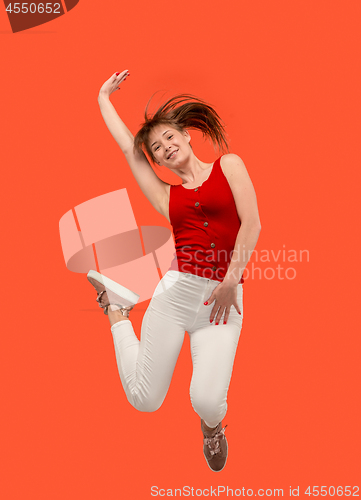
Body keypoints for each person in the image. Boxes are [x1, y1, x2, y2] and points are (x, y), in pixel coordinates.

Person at [87, 69, 261, 472]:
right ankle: (117, 313)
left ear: (185, 135)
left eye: (169, 137)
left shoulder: (229, 166)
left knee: (207, 400)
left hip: (223, 302)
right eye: (156, 147)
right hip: (176, 296)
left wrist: (231, 281)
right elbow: (128, 151)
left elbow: (251, 224)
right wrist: (103, 100)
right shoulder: (168, 198)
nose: (164, 147)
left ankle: (212, 428)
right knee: (144, 400)